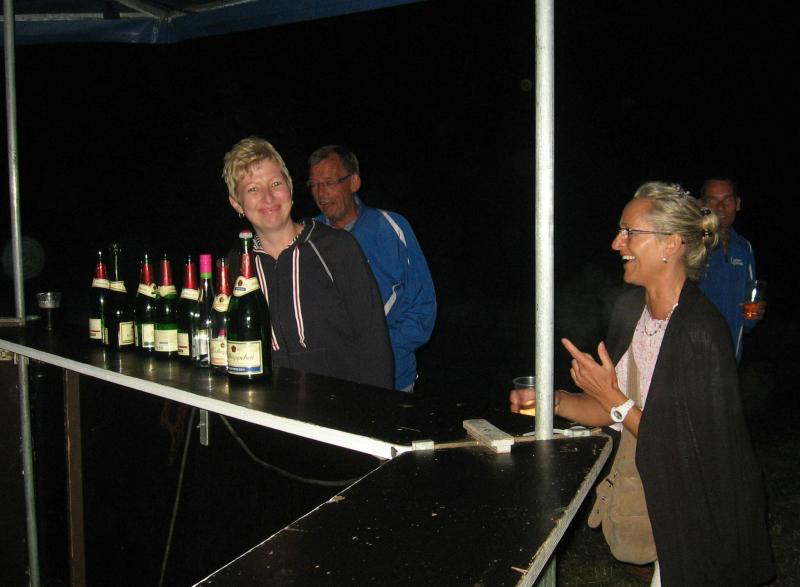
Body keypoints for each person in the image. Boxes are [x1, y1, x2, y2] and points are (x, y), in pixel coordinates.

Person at [510, 182, 774, 586]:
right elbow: (610, 411)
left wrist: (613, 398)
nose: (617, 243)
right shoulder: (631, 310)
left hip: (700, 514)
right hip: (657, 496)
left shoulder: (700, 332)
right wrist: (553, 400)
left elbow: (684, 449)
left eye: (629, 232)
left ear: (671, 244)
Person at [222, 137, 393, 389]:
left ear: (290, 188)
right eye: (253, 189)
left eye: (276, 183)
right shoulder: (236, 266)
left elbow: (374, 344)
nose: (268, 198)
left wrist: (377, 408)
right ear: (237, 203)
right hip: (266, 408)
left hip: (341, 407)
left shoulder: (337, 248)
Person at [307, 145, 436, 392]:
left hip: (392, 382)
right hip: (327, 382)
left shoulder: (391, 229)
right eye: (314, 185)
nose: (321, 193)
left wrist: (379, 349)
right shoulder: (308, 237)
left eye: (329, 183)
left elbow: (423, 308)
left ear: (354, 182)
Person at [697, 178, 763, 362]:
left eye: (727, 200)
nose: (720, 207)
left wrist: (752, 315)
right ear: (701, 205)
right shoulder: (691, 246)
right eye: (712, 200)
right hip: (693, 356)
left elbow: (750, 301)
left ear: (738, 204)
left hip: (730, 358)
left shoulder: (744, 248)